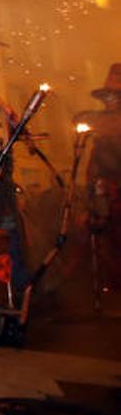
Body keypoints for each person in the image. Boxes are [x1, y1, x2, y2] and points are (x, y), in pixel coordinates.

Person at [75, 63, 121, 305]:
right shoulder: (99, 123)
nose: (111, 100)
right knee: (99, 237)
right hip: (102, 188)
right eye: (109, 96)